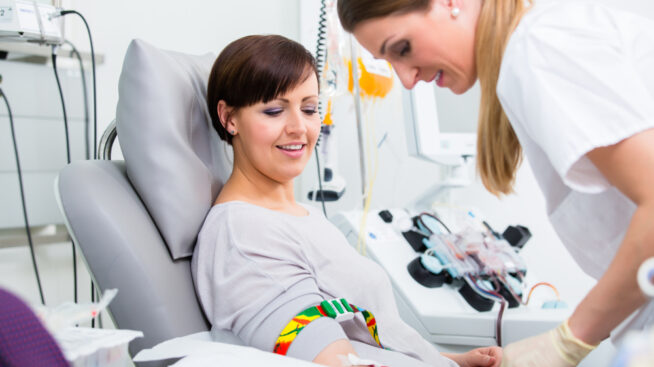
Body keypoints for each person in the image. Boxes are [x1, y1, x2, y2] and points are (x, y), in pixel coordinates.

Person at [336, 0, 654, 366]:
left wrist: (568, 341)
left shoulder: (539, 47)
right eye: (390, 63)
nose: (407, 79)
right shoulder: (537, 43)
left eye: (402, 49)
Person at [192, 34, 502, 367]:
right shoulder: (244, 234)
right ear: (229, 118)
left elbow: (362, 336)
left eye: (310, 108)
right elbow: (335, 361)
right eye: (274, 110)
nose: (299, 127)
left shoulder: (299, 215)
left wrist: (451, 360)